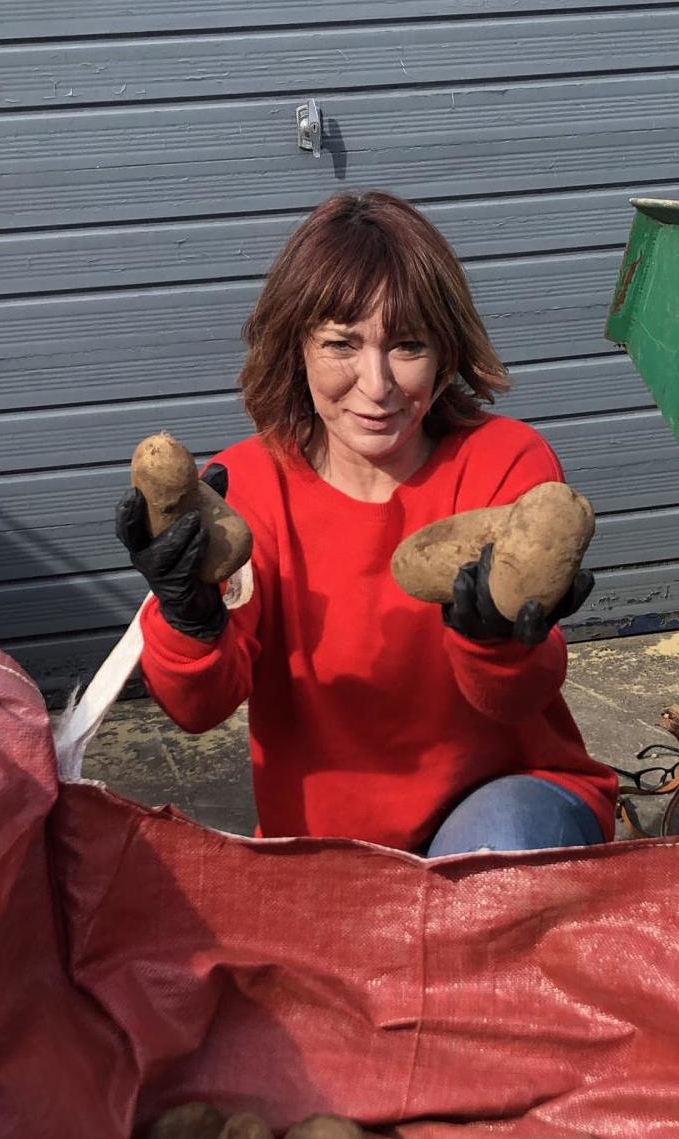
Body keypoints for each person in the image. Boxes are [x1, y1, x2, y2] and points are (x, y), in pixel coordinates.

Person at [115, 191, 617, 856]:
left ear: (444, 351)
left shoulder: (506, 461)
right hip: (330, 847)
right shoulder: (248, 487)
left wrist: (495, 639)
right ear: (297, 346)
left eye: (407, 345)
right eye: (341, 344)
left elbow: (519, 696)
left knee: (483, 866)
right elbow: (197, 708)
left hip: (506, 803)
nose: (376, 384)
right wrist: (187, 621)